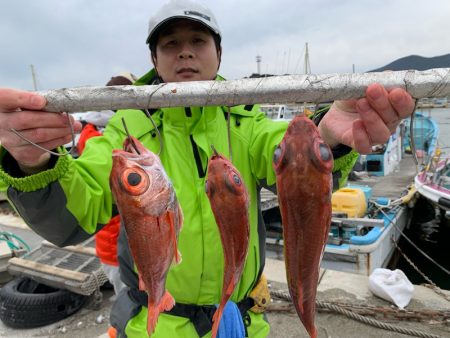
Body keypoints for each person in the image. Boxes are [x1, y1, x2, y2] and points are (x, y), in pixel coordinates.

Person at [0, 0, 415, 337]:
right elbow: (79, 208)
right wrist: (32, 160)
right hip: (154, 324)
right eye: (170, 43)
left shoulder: (247, 121)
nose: (184, 51)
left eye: (198, 40)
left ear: (219, 54)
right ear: (153, 59)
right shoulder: (126, 129)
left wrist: (328, 139)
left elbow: (287, 154)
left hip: (241, 320)